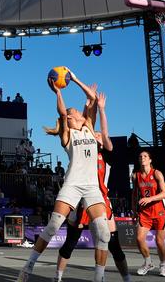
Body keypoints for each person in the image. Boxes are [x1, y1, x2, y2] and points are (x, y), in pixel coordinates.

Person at [18, 69, 110, 282]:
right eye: (74, 110)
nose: (79, 110)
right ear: (70, 117)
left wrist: (76, 79)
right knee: (52, 227)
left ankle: (99, 278)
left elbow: (93, 98)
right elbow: (61, 112)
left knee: (103, 233)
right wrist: (58, 92)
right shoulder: (67, 135)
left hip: (91, 186)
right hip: (72, 184)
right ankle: (28, 267)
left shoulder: (88, 126)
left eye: (79, 110)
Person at [54, 91, 131, 282]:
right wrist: (87, 107)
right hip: (80, 200)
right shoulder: (80, 146)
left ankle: (125, 278)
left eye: (97, 135)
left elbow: (102, 131)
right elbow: (83, 123)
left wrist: (101, 109)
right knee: (70, 243)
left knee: (114, 246)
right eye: (93, 133)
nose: (95, 134)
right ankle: (57, 277)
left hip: (100, 200)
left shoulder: (106, 155)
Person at [132, 151, 165, 277]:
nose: (142, 158)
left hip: (159, 211)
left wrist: (150, 199)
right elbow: (134, 194)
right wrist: (134, 210)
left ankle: (164, 265)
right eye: (140, 156)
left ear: (150, 160)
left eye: (145, 156)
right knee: (139, 238)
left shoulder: (157, 173)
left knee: (159, 241)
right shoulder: (135, 175)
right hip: (144, 213)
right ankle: (148, 262)